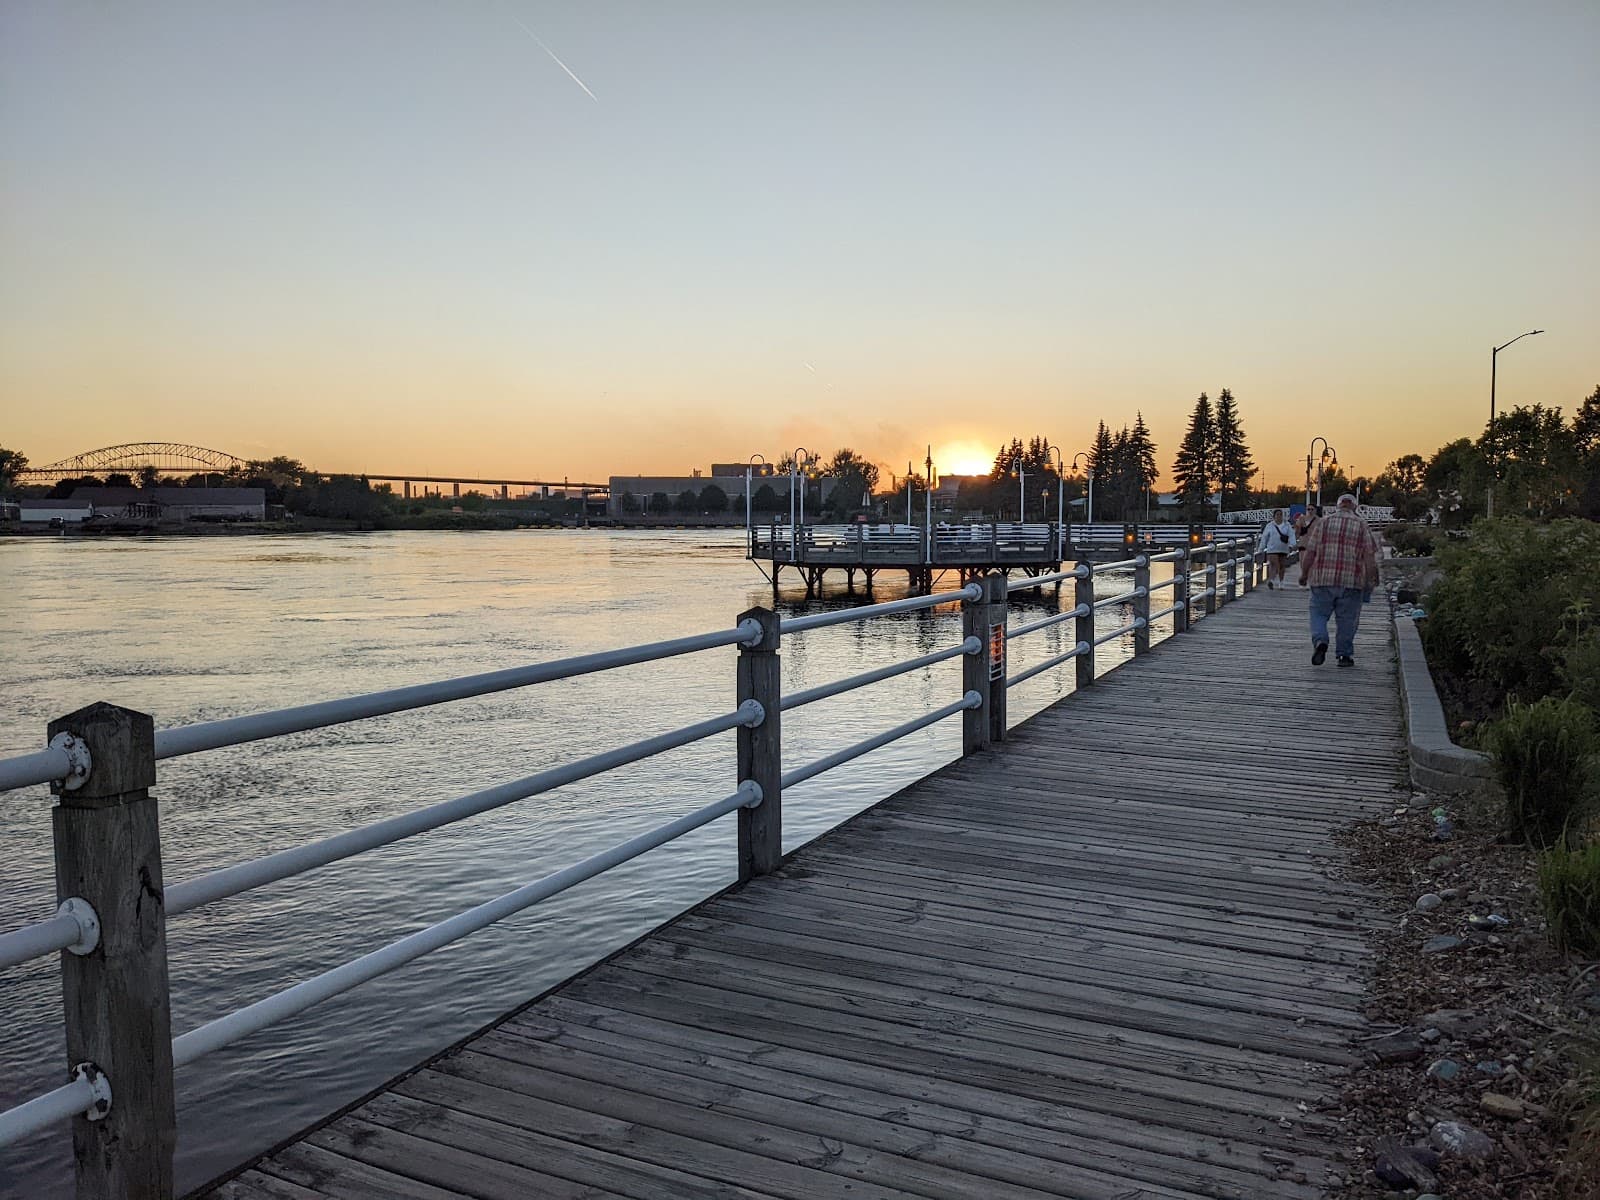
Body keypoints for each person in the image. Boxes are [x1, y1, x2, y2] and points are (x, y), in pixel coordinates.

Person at [1298, 493, 1381, 667]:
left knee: (1318, 615)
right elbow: (1369, 557)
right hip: (1351, 581)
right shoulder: (1361, 524)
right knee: (1347, 621)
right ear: (1355, 507)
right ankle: (1344, 655)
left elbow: (1310, 552)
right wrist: (1371, 579)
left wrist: (1304, 574)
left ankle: (1320, 641)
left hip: (1322, 579)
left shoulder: (1323, 522)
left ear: (1337, 505)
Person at [1257, 508, 1295, 589]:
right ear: (1274, 516)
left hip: (1283, 548)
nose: (1279, 516)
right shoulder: (1269, 525)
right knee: (1274, 563)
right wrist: (1261, 548)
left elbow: (1291, 535)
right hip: (1272, 548)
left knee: (1281, 565)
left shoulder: (1287, 525)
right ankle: (1272, 580)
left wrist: (1292, 545)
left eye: (1281, 514)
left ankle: (1281, 581)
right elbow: (1264, 537)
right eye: (1277, 514)